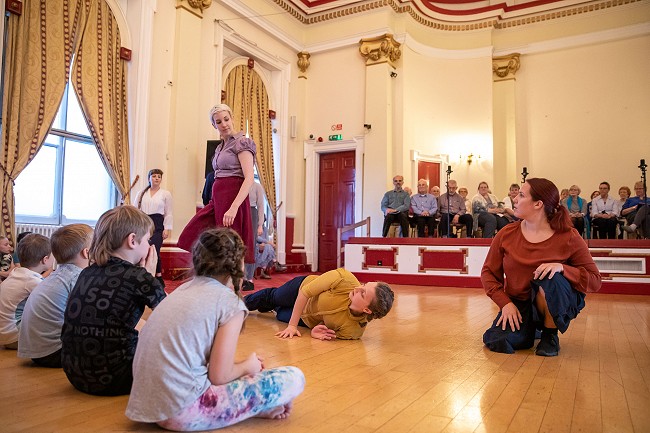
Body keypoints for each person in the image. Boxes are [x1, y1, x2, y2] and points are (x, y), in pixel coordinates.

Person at [126, 228, 304, 431]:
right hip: (183, 411)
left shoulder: (181, 290)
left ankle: (251, 408)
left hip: (148, 407)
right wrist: (248, 366)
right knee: (294, 377)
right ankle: (252, 408)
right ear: (238, 265)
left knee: (240, 377)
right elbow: (219, 376)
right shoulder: (229, 302)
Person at [481, 178, 601, 356]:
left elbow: (594, 280)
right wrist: (505, 303)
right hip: (520, 302)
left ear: (538, 204)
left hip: (555, 299)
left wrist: (562, 268)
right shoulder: (506, 234)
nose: (514, 199)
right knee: (499, 341)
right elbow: (488, 273)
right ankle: (532, 328)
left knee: (549, 277)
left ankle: (550, 333)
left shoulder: (569, 236)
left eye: (521, 195)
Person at [61, 206, 166, 396]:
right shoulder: (139, 277)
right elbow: (170, 321)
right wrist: (151, 277)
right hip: (117, 378)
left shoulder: (87, 272)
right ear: (132, 240)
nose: (150, 246)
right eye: (148, 240)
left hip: (74, 373)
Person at [178, 104, 256, 291]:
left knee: (234, 245)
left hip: (232, 199)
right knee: (194, 232)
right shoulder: (221, 146)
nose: (224, 124)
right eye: (218, 121)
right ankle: (214, 283)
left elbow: (249, 178)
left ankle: (235, 292)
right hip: (218, 200)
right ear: (214, 125)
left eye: (226, 119)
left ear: (232, 118)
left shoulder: (241, 142)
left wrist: (234, 207)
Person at [244, 268, 395, 340]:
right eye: (363, 285)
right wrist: (292, 326)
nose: (357, 288)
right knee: (274, 297)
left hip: (307, 318)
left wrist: (315, 331)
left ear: (367, 310)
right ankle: (238, 305)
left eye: (363, 293)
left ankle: (268, 306)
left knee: (280, 314)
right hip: (301, 289)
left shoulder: (353, 331)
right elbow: (305, 293)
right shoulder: (344, 279)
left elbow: (327, 329)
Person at [17, 224, 93, 367]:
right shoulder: (78, 278)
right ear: (87, 253)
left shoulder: (58, 275)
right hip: (54, 352)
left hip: (37, 351)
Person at [0, 234, 53, 349]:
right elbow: (52, 304)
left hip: (4, 335)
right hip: (14, 337)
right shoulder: (32, 281)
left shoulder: (16, 273)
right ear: (45, 260)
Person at [136, 168, 173, 285]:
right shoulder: (141, 193)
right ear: (149, 178)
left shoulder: (165, 194)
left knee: (154, 249)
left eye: (159, 176)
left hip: (158, 224)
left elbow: (168, 212)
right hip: (144, 224)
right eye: (154, 176)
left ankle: (158, 278)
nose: (157, 178)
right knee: (144, 250)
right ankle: (153, 275)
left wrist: (166, 228)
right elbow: (135, 210)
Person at [244, 181, 266, 286]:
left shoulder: (257, 186)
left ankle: (249, 278)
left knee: (250, 245)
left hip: (252, 213)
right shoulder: (239, 182)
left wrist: (260, 224)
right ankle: (239, 276)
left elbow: (261, 205)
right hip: (240, 211)